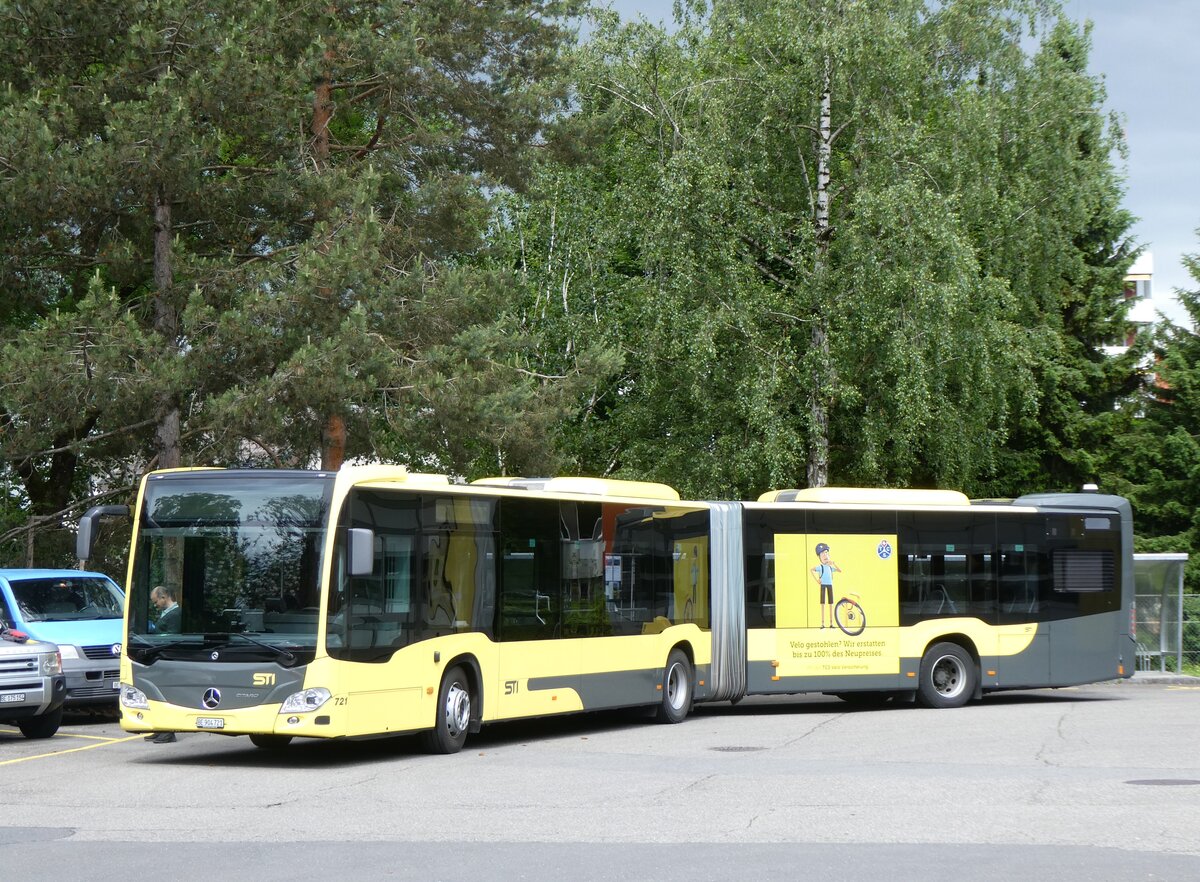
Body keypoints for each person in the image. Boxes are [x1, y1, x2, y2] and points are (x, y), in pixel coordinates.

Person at [810, 542, 841, 630]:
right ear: (819, 557)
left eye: (826, 552)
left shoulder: (830, 567)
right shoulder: (820, 566)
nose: (825, 555)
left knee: (831, 604)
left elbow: (840, 570)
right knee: (823, 604)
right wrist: (817, 580)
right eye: (822, 553)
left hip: (830, 585)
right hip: (823, 585)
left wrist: (833, 563)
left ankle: (831, 623)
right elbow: (811, 570)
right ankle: (822, 624)